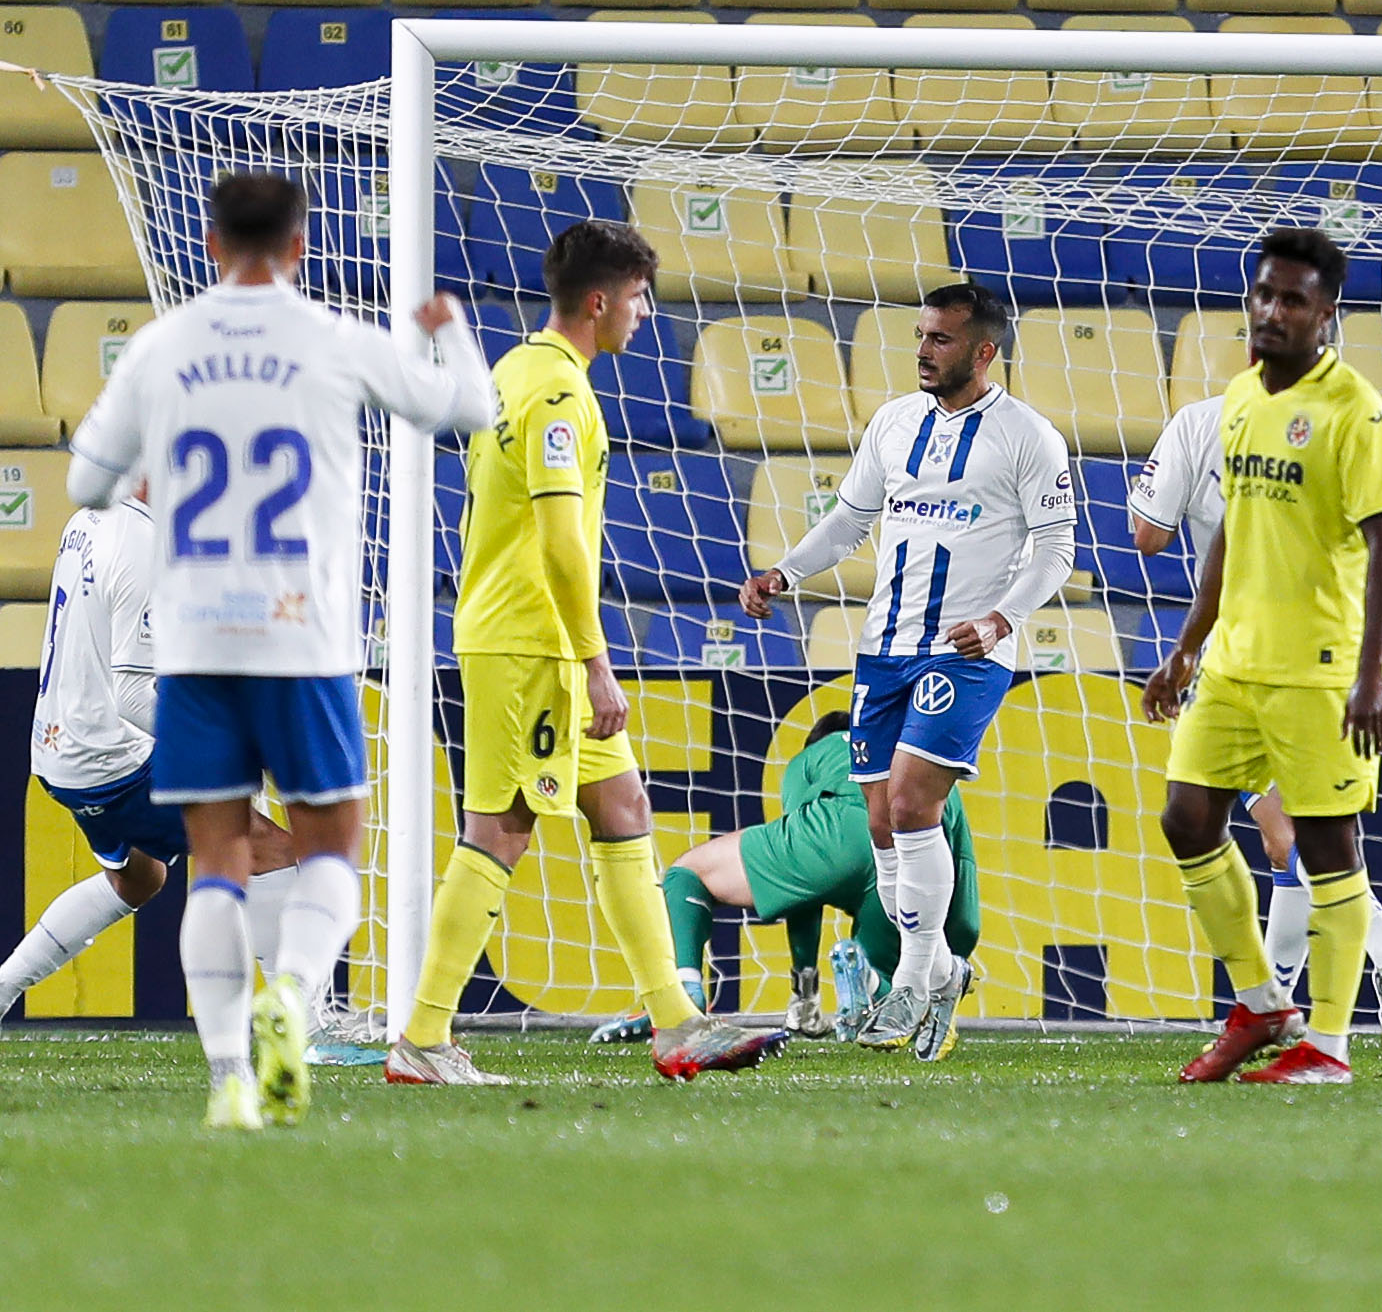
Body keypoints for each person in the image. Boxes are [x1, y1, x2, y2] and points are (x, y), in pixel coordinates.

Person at [66, 171, 495, 1130]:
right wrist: (446, 324)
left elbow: (87, 482)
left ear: (212, 246)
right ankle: (293, 1002)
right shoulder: (337, 342)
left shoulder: (161, 348)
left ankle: (228, 1082)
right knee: (331, 846)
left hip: (195, 643)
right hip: (304, 639)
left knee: (214, 862)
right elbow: (469, 411)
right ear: (299, 247)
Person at [388, 220, 787, 1085]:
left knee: (624, 809)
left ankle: (675, 1022)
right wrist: (595, 661)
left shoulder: (518, 370)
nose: (645, 315)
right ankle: (420, 1037)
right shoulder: (561, 396)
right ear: (601, 301)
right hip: (531, 644)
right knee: (500, 827)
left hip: (529, 636)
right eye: (639, 298)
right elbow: (561, 539)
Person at [740, 282, 1076, 1063]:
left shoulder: (1029, 438)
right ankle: (946, 969)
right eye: (920, 336)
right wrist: (785, 574)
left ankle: (915, 981)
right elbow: (851, 519)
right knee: (882, 826)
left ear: (983, 350)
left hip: (965, 651)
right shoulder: (893, 423)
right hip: (883, 646)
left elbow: (1057, 548)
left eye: (941, 340)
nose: (923, 350)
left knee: (912, 803)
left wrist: (1001, 619)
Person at [0, 495, 383, 1068]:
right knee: (272, 850)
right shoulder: (145, 543)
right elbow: (130, 692)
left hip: (62, 747)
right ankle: (305, 1029)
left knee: (138, 878)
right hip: (112, 755)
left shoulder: (88, 519)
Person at [1142, 228, 1382, 1087]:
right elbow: (1228, 529)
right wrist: (1186, 647)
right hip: (1230, 662)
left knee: (1326, 847)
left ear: (1325, 314)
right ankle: (1262, 1002)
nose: (1269, 311)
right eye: (1262, 294)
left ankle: (1326, 1049)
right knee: (1187, 818)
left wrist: (1373, 671)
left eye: (1291, 299)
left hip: (1317, 665)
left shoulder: (1353, 410)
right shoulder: (1236, 398)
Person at [639, 712, 981, 1045]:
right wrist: (957, 951)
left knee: (688, 873)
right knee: (898, 994)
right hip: (903, 866)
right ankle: (871, 980)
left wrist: (805, 991)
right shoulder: (923, 767)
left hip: (832, 836)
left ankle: (686, 987)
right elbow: (961, 864)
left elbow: (803, 895)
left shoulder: (809, 759)